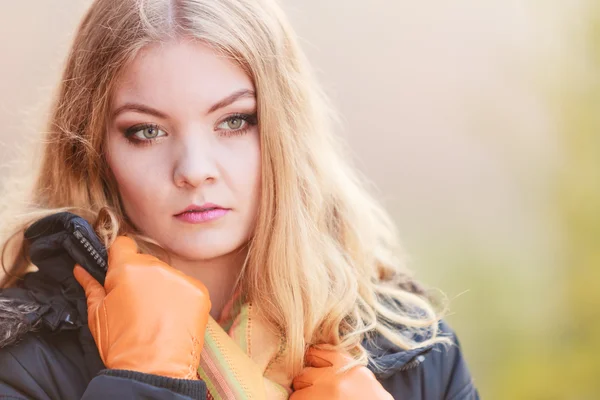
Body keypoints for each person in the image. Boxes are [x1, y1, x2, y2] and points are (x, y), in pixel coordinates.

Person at [0, 0, 479, 399]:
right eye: (146, 131)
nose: (194, 169)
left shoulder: (414, 347)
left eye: (233, 121)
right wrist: (143, 377)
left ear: (284, 130)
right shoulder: (22, 362)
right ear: (93, 151)